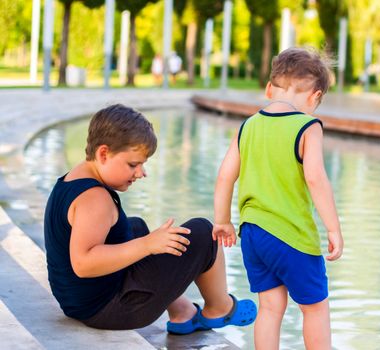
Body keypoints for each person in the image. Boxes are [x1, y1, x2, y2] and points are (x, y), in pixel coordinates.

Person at [44, 104, 256, 333]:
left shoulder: (71, 180)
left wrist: (146, 241)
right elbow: (83, 264)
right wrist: (147, 245)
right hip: (111, 310)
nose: (141, 173)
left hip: (78, 302)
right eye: (133, 164)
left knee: (134, 226)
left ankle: (182, 311)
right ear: (103, 154)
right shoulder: (95, 199)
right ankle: (219, 309)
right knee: (204, 232)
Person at [213, 47, 344, 349]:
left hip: (253, 234)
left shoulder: (248, 126)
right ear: (315, 97)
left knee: (270, 308)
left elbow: (224, 176)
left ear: (269, 88)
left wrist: (222, 221)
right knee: (315, 308)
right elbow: (315, 179)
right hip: (292, 236)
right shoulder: (308, 126)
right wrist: (333, 228)